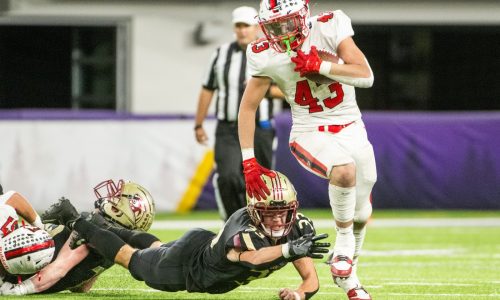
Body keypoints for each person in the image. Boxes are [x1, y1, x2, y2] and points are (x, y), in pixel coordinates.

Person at [237, 1, 377, 299]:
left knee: (363, 213)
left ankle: (349, 279)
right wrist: (248, 160)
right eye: (274, 26)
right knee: (343, 170)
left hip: (351, 125)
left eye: (287, 23)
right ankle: (342, 247)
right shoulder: (265, 53)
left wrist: (322, 66)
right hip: (309, 130)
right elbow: (247, 108)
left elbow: (365, 76)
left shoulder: (329, 26)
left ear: (303, 16)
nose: (282, 32)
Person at [41, 171, 331, 299]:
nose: (279, 219)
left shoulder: (298, 228)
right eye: (271, 211)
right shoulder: (244, 226)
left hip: (197, 246)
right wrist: (289, 250)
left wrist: (299, 294)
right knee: (132, 259)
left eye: (284, 211)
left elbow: (311, 280)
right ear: (256, 210)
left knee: (156, 248)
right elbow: (253, 258)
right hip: (188, 268)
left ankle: (105, 227)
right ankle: (76, 218)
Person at [194, 6, 282, 220]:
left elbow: (289, 89)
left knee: (261, 180)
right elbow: (207, 88)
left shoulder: (272, 52)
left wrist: (266, 91)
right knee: (228, 176)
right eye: (239, 26)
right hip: (228, 127)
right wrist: (199, 124)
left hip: (260, 126)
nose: (242, 31)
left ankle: (257, 221)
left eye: (247, 26)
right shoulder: (221, 53)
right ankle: (234, 221)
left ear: (256, 28)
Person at [0, 179, 156, 295]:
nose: (110, 197)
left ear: (122, 211)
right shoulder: (113, 247)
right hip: (21, 269)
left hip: (12, 271)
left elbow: (59, 269)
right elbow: (81, 287)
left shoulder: (94, 226)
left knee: (7, 203)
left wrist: (19, 289)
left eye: (117, 197)